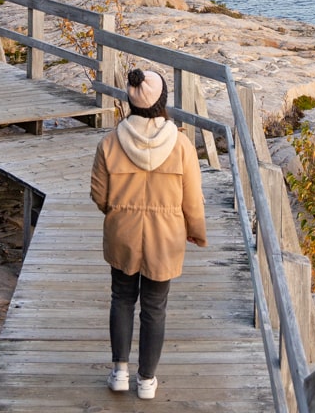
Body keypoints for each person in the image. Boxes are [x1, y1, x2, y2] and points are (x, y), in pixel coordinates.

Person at [90, 68, 207, 400]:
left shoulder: (110, 142)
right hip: (165, 237)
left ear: (130, 100)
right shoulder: (181, 145)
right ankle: (146, 380)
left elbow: (99, 195)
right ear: (163, 101)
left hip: (122, 234)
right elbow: (192, 199)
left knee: (122, 300)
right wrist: (195, 231)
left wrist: (117, 215)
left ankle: (119, 373)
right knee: (155, 307)